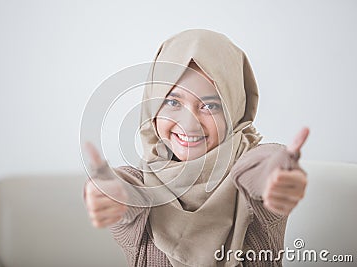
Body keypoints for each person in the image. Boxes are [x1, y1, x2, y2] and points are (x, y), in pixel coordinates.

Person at [83, 29, 309, 267]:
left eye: (210, 105)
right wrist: (109, 192)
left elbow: (261, 167)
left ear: (234, 110)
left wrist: (275, 176)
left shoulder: (255, 177)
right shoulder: (139, 186)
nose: (189, 123)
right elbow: (125, 189)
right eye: (172, 102)